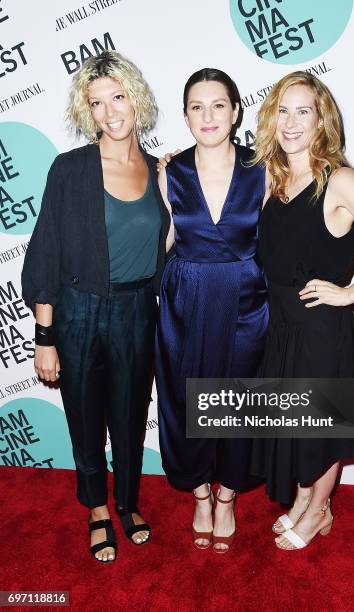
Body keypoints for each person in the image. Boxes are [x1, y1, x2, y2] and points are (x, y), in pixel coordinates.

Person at [250, 71, 354, 550]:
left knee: (318, 429)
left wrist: (348, 293)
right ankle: (306, 501)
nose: (291, 121)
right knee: (296, 426)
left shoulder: (338, 179)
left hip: (321, 329)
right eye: (283, 110)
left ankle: (319, 508)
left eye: (304, 110)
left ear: (322, 119)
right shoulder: (276, 177)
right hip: (281, 327)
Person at [21, 51, 170, 562]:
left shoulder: (157, 170)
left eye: (119, 97)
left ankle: (126, 501)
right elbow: (45, 254)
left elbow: (163, 248)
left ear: (137, 98)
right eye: (97, 102)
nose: (110, 112)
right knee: (84, 416)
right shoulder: (70, 169)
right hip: (79, 311)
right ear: (87, 112)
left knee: (131, 414)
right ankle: (97, 508)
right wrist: (45, 338)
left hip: (136, 311)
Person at [155, 68, 269, 553]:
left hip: (245, 298)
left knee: (237, 405)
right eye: (196, 107)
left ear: (236, 111)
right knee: (186, 400)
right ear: (184, 116)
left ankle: (227, 497)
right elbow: (165, 241)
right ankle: (199, 492)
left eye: (218, 105)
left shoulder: (263, 167)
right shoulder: (170, 172)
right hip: (187, 296)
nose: (208, 116)